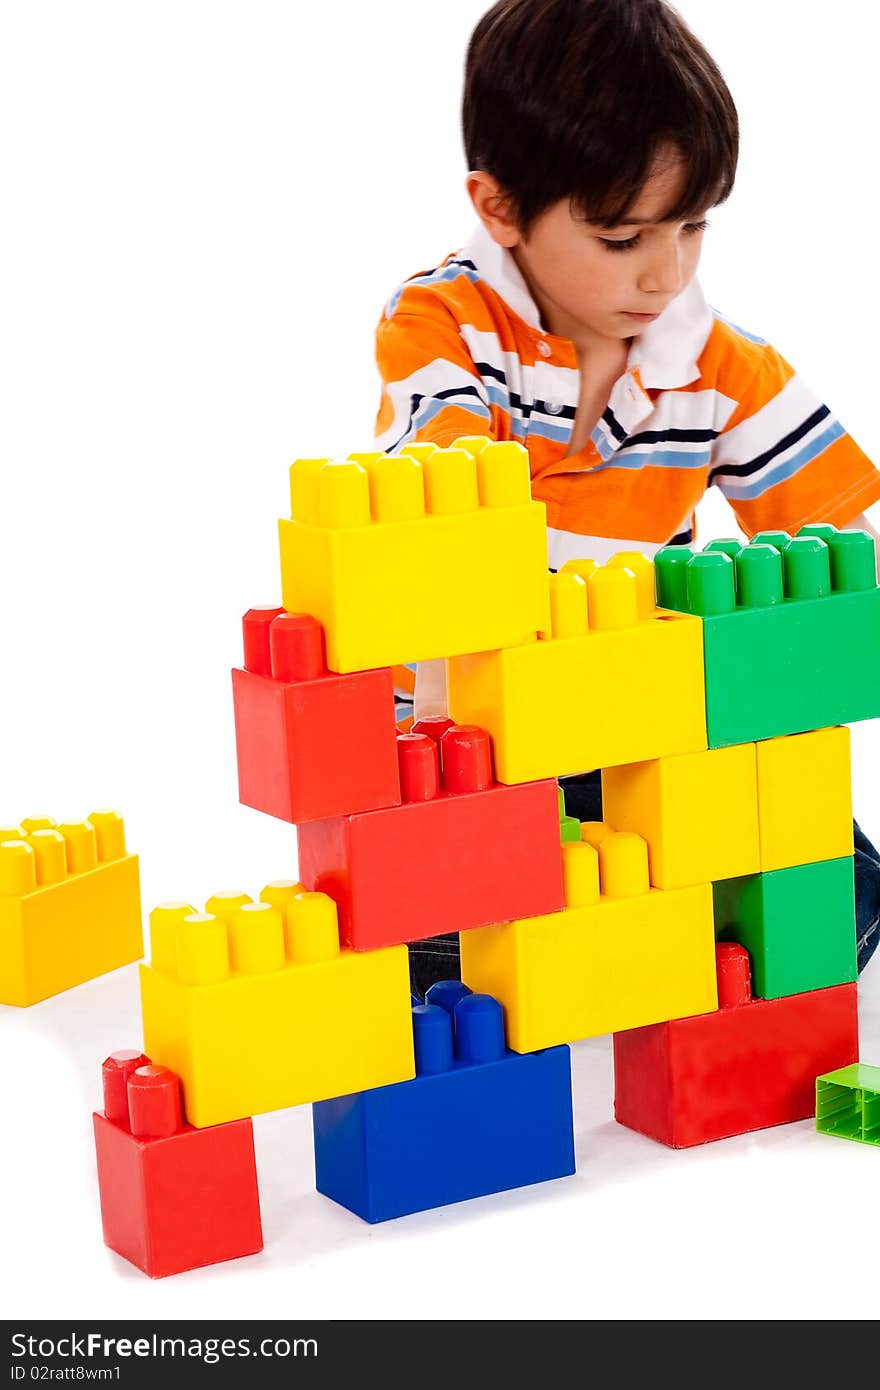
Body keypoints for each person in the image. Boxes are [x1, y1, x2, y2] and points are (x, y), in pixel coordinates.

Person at [372, 0, 880, 994]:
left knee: (845, 877)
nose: (665, 271)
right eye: (620, 238)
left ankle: (650, 942)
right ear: (500, 207)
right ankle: (551, 939)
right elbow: (463, 527)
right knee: (437, 935)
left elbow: (839, 533)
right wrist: (678, 593)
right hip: (469, 735)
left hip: (630, 721)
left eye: (691, 227)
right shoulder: (441, 327)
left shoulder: (715, 362)